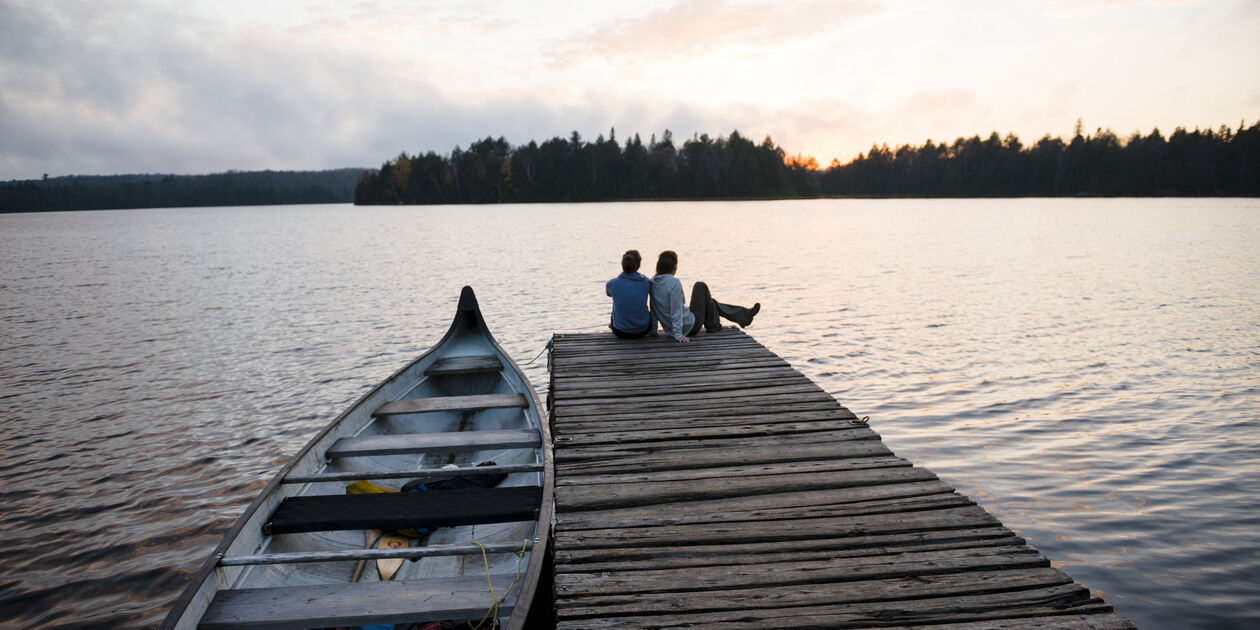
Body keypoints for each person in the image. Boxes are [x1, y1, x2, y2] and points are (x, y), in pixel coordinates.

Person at [650, 250, 759, 343]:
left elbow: (654, 308)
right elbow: (676, 309)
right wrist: (678, 334)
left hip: (672, 328)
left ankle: (744, 315)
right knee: (700, 286)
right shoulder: (674, 282)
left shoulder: (653, 283)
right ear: (674, 267)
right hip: (690, 326)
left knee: (709, 302)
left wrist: (653, 330)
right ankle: (715, 324)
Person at [605, 249, 653, 339]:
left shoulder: (612, 283)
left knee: (615, 306)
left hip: (620, 332)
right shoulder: (646, 282)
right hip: (643, 330)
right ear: (639, 265)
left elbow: (609, 294)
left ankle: (617, 324)